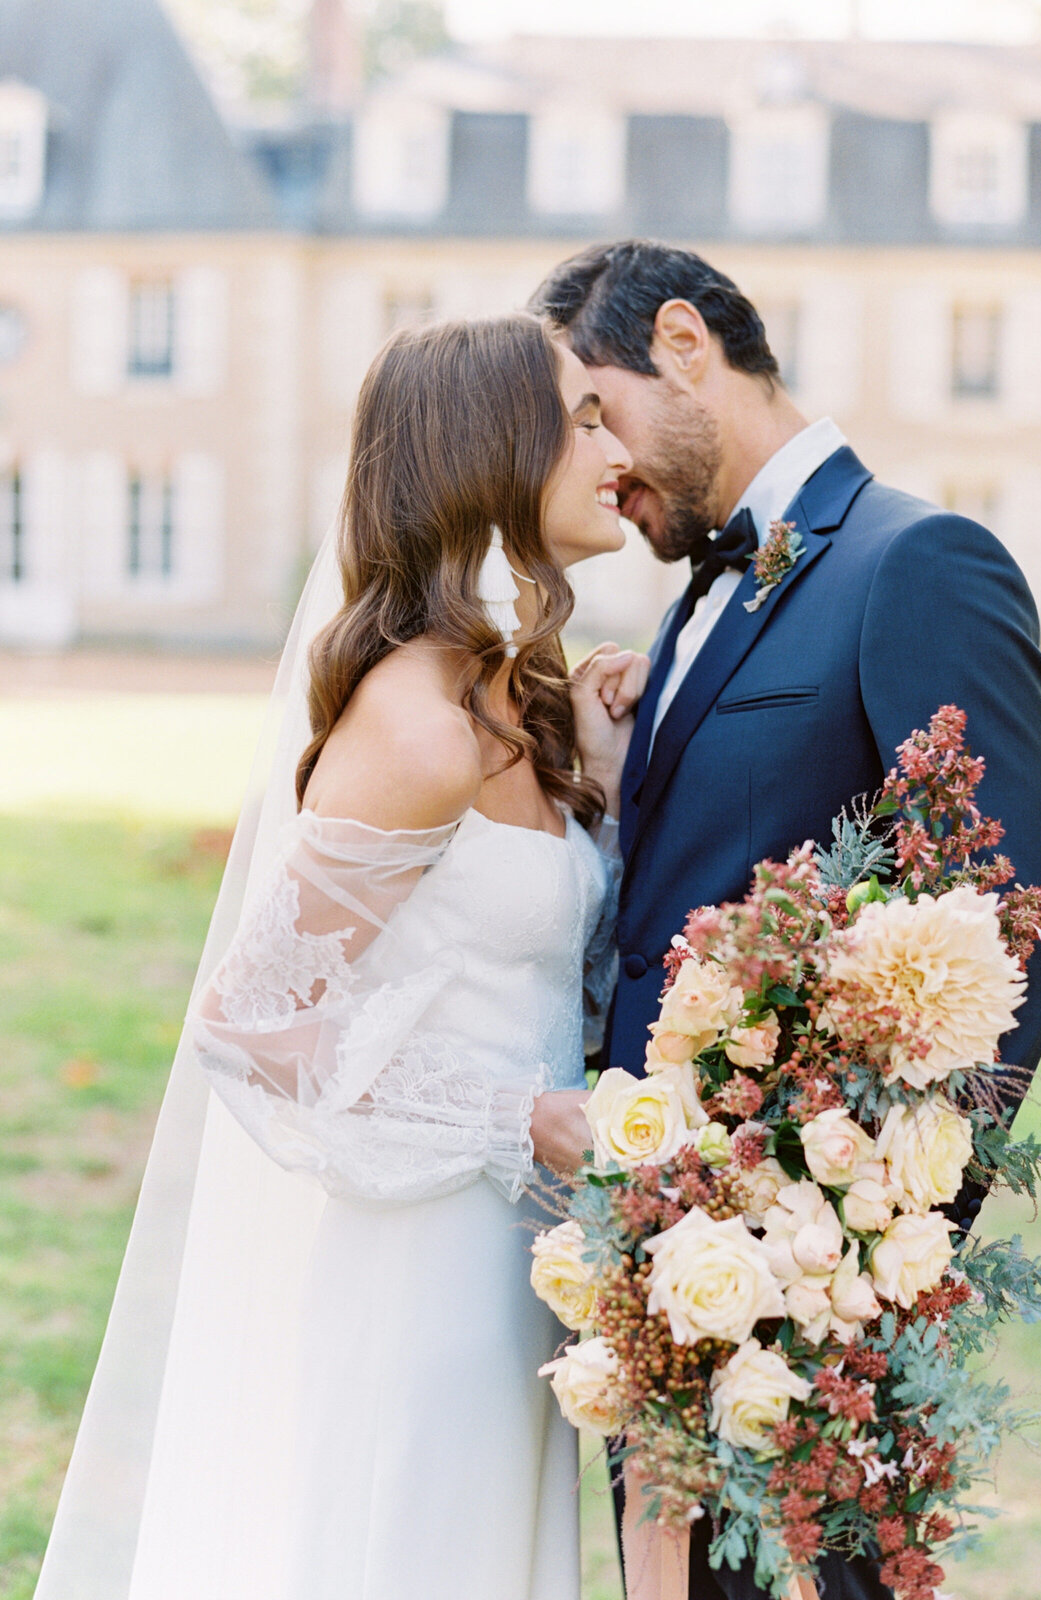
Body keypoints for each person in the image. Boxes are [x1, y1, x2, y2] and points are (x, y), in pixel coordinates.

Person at [32, 313, 648, 1600]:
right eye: (582, 418)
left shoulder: (509, 693)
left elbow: (523, 964)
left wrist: (592, 772)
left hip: (517, 1258)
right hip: (419, 1266)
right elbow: (248, 1025)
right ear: (496, 449)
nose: (614, 441)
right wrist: (515, 1116)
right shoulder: (419, 725)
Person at [531, 240, 1041, 1600]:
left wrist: (852, 1251)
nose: (595, 459)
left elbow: (1010, 947)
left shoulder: (918, 562)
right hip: (657, 1257)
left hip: (805, 1294)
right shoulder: (696, 593)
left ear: (683, 343)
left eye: (597, 408)